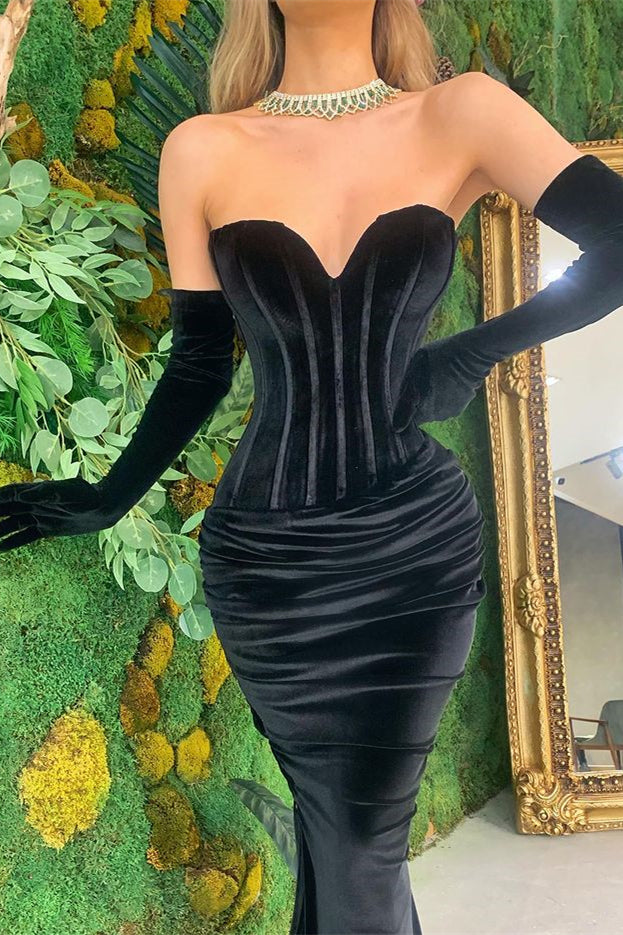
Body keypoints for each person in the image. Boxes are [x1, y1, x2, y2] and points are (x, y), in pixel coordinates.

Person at [2, 2, 623, 933]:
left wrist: (469, 353)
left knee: (359, 845)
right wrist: (107, 495)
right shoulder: (202, 149)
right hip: (269, 566)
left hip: (412, 553)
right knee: (347, 842)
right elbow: (201, 363)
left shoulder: (461, 112)